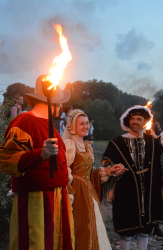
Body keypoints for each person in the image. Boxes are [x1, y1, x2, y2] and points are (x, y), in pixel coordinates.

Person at [0, 75, 74, 250]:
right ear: (51, 103)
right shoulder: (24, 122)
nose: (61, 106)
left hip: (57, 196)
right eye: (59, 102)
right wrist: (39, 154)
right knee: (37, 244)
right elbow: (5, 161)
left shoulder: (51, 125)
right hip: (36, 200)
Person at [99, 105, 163, 250]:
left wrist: (159, 146)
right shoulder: (117, 142)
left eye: (139, 119)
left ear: (144, 122)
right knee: (127, 232)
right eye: (132, 119)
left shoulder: (153, 141)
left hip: (149, 192)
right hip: (127, 192)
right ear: (128, 122)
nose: (135, 121)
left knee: (144, 231)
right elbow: (107, 162)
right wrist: (113, 168)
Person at [62, 109, 112, 250]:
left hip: (88, 190)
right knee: (80, 226)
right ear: (72, 126)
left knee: (92, 224)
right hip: (76, 192)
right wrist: (69, 192)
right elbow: (63, 170)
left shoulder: (87, 147)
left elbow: (89, 173)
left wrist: (107, 171)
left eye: (86, 123)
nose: (85, 127)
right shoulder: (68, 144)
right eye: (81, 124)